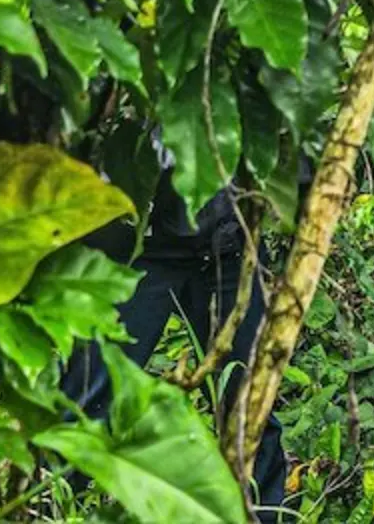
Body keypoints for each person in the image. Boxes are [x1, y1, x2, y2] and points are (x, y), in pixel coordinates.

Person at [65, 131, 290, 523]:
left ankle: (262, 515)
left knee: (251, 401)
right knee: (89, 399)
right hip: (138, 243)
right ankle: (53, 506)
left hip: (227, 239)